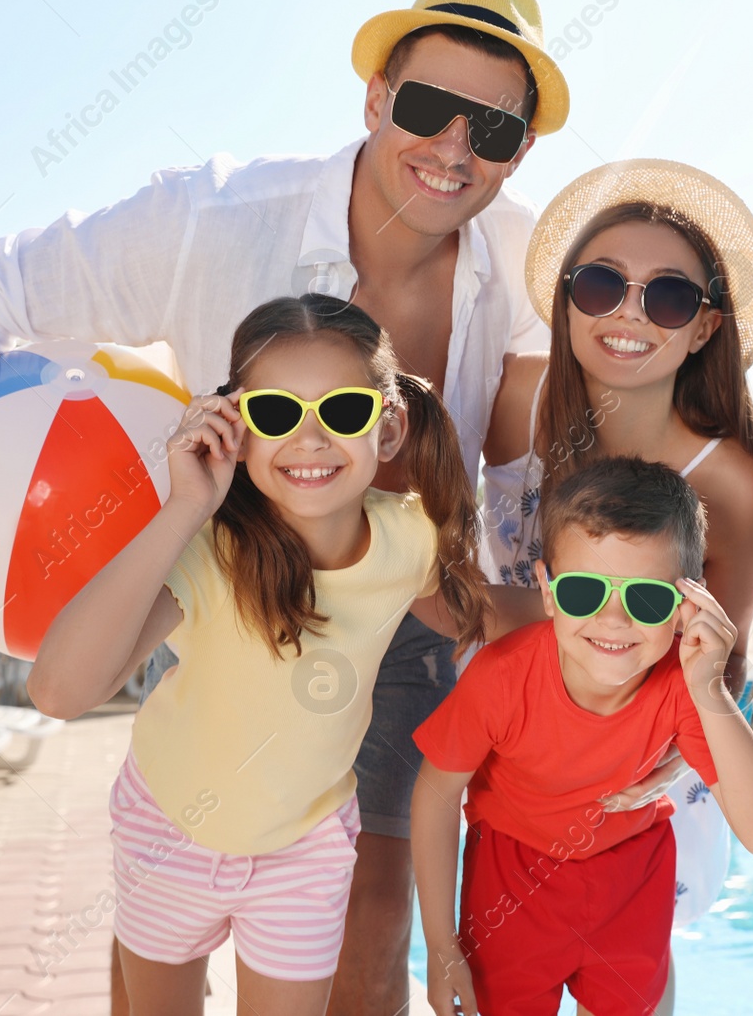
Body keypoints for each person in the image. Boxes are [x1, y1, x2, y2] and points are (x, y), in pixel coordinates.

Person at [0, 0, 568, 1012]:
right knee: (167, 906)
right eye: (428, 106)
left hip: (397, 601)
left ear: (522, 147)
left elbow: (510, 485)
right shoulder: (213, 215)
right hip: (233, 578)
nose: (455, 147)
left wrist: (585, 630)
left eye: (493, 130)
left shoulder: (524, 263)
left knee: (368, 940)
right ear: (375, 98)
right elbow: (0, 283)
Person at [28, 296, 489, 1013]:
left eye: (341, 412)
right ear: (236, 426)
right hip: (169, 828)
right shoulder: (209, 552)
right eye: (276, 414)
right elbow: (58, 692)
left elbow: (484, 617)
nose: (309, 438)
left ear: (388, 426)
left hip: (303, 847)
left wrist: (604, 606)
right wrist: (186, 504)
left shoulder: (411, 542)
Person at [478, 159, 753, 1006]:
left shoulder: (728, 476)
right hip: (513, 761)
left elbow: (717, 651)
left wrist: (481, 609)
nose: (628, 313)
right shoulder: (516, 398)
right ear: (565, 299)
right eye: (601, 284)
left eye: (666, 297)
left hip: (643, 770)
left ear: (702, 329)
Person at [411, 457, 753, 1016]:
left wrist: (710, 687)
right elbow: (437, 795)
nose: (613, 620)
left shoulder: (685, 688)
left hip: (630, 881)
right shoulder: (500, 677)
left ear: (686, 605)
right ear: (547, 591)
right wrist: (441, 944)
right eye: (585, 593)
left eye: (645, 599)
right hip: (511, 884)